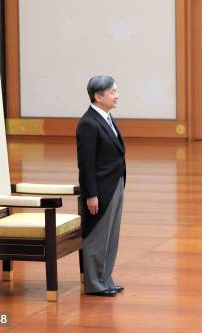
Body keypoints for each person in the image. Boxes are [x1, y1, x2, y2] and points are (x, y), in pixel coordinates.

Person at [76, 75, 126, 296]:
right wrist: (91, 194)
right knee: (97, 236)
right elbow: (85, 164)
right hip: (101, 189)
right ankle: (95, 284)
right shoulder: (88, 123)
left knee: (111, 235)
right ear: (98, 96)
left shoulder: (106, 117)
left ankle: (106, 278)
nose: (117, 96)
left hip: (115, 183)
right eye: (112, 92)